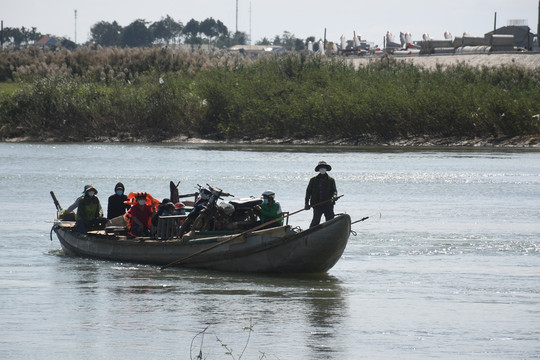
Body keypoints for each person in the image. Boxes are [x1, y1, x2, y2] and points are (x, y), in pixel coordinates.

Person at [305, 161, 338, 228]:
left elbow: (334, 191)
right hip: (317, 205)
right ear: (319, 169)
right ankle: (310, 234)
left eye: (324, 167)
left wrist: (334, 196)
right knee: (315, 221)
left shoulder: (331, 180)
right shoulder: (313, 180)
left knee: (330, 221)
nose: (322, 169)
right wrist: (306, 204)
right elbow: (308, 192)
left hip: (328, 204)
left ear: (326, 169)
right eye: (321, 168)